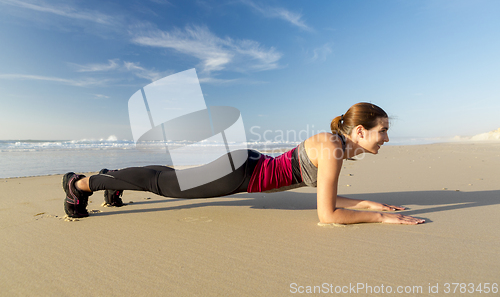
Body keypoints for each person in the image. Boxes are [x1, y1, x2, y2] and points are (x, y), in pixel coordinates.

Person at [62, 102, 425, 225]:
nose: (387, 138)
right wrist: (379, 217)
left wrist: (362, 203)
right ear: (360, 131)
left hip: (246, 165)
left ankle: (114, 182)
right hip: (240, 174)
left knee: (171, 178)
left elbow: (327, 201)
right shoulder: (332, 149)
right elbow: (326, 215)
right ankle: (81, 184)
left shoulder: (335, 146)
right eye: (383, 131)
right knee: (167, 184)